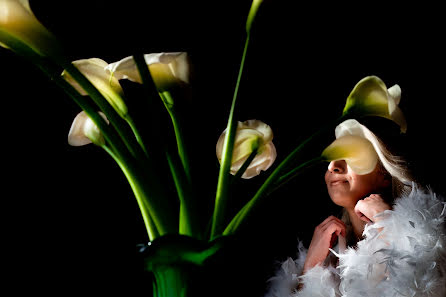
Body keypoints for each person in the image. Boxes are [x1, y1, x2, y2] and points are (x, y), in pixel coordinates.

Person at [265, 119, 446, 297]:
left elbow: (423, 287)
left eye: (349, 155)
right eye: (332, 157)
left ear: (383, 172)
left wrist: (386, 221)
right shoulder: (329, 258)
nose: (332, 166)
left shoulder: (428, 239)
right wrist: (310, 269)